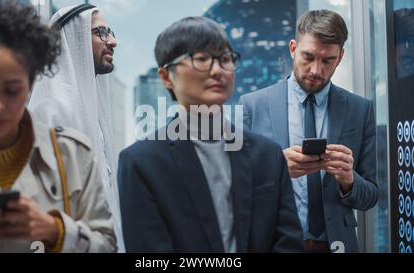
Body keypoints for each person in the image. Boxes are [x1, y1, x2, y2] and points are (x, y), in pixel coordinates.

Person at [118, 16, 303, 253]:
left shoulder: (268, 155)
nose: (218, 70)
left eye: (225, 59)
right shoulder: (141, 163)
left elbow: (289, 244)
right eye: (201, 59)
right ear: (166, 76)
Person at [0, 0, 116, 253]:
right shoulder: (58, 113)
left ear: (30, 82)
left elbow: (107, 243)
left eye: (12, 90)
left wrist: (56, 231)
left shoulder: (75, 154)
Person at [239, 9, 378, 253]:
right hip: (274, 244)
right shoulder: (253, 105)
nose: (316, 70)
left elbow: (371, 196)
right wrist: (276, 171)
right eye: (308, 56)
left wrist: (348, 180)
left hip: (337, 245)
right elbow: (237, 191)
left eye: (327, 60)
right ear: (293, 48)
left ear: (341, 56)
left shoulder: (360, 110)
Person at [27, 4, 124, 251]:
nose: (112, 41)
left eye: (110, 32)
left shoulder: (87, 105)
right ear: (74, 37)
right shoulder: (51, 108)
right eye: (101, 32)